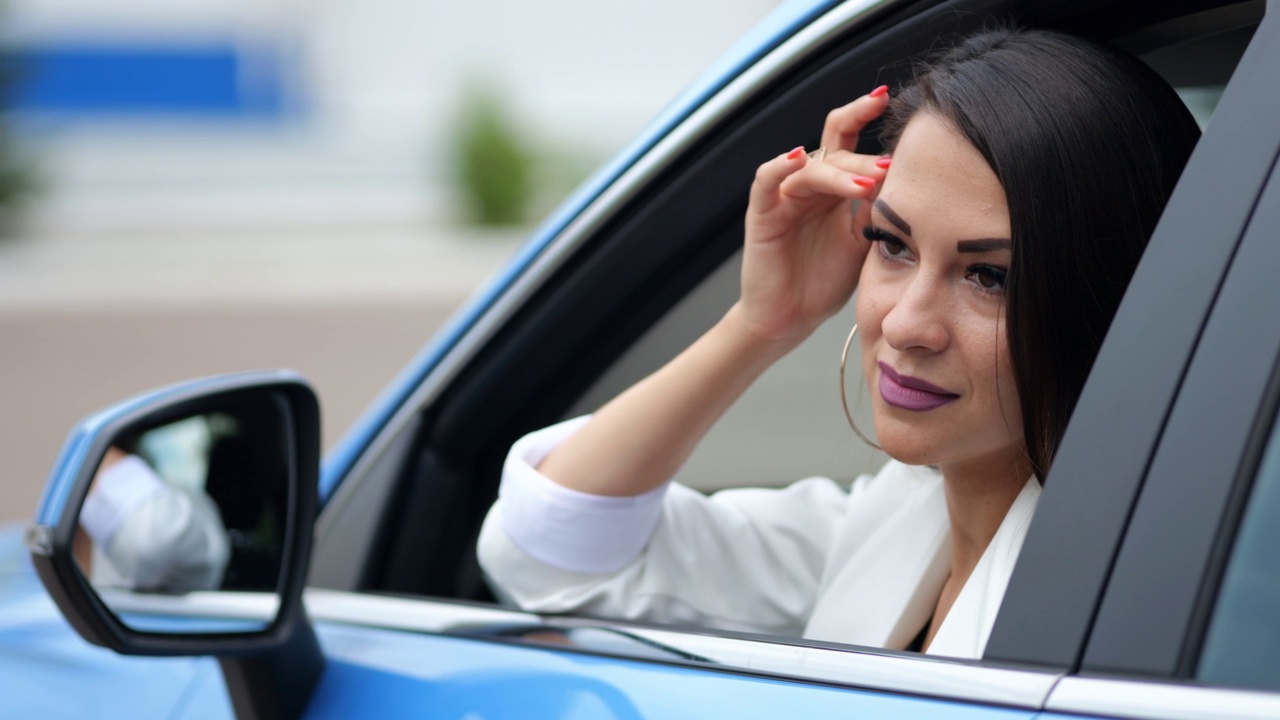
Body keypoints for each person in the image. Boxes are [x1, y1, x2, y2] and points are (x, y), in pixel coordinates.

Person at [476, 27, 1201, 658]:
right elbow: (550, 546)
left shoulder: (1147, 586)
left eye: (990, 276)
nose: (906, 324)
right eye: (892, 245)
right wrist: (763, 322)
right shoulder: (891, 519)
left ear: (1118, 298)